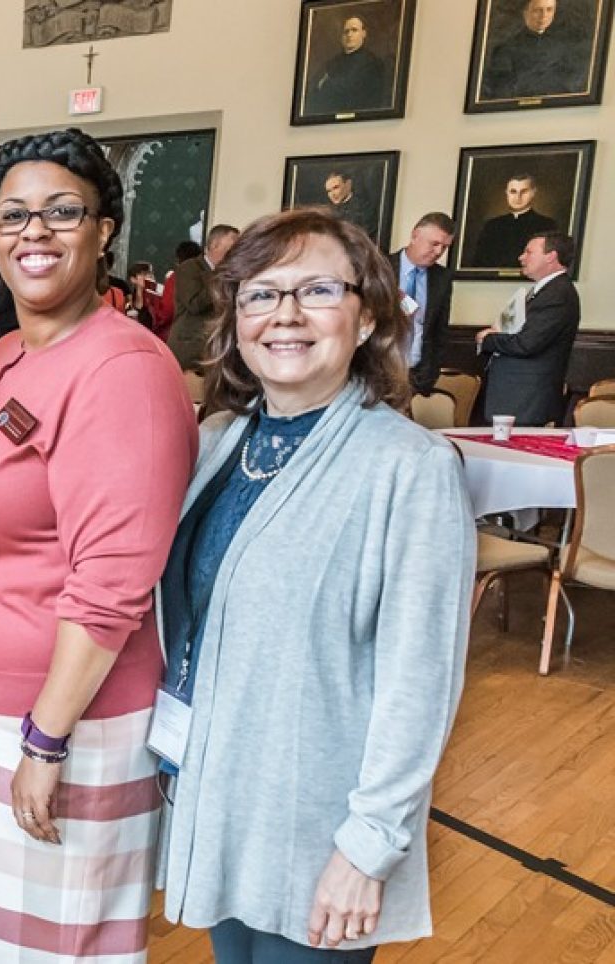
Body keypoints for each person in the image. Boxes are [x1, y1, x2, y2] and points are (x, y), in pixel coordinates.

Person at [157, 206, 473, 963]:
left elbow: (418, 683)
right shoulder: (221, 441)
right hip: (220, 791)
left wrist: (369, 848)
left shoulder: (408, 468)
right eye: (261, 294)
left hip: (317, 823)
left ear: (366, 319)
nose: (286, 315)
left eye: (318, 291)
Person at [0, 127, 196, 963]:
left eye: (62, 212)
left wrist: (46, 739)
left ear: (106, 229)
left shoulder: (123, 369)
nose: (34, 232)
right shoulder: (9, 352)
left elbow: (112, 582)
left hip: (66, 717)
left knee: (61, 948)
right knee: (2, 947)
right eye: (13, 216)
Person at [477, 231, 581, 426]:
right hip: (517, 397)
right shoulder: (548, 290)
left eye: (529, 252)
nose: (521, 257)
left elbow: (527, 344)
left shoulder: (557, 293)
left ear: (551, 256)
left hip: (526, 399)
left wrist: (488, 339)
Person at [393, 212, 455, 394]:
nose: (438, 252)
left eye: (444, 247)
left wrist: (431, 374)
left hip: (418, 376)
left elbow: (440, 330)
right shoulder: (381, 267)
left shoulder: (442, 277)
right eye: (434, 244)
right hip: (377, 372)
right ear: (415, 235)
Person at [481, 0, 590, 100]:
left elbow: (573, 86)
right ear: (525, 13)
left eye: (549, 10)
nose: (544, 16)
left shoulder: (566, 45)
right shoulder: (506, 49)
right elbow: (501, 91)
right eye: (537, 10)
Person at [167, 223, 238, 369]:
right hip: (191, 347)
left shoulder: (234, 274)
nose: (234, 254)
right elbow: (195, 304)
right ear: (214, 245)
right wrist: (221, 277)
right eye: (230, 249)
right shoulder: (190, 268)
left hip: (219, 348)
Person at [474, 174, 561, 268]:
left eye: (524, 191)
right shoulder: (491, 225)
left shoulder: (547, 225)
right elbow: (479, 261)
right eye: (513, 192)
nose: (518, 197)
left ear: (533, 193)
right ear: (506, 193)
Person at [308, 15, 390, 114]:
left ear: (363, 34)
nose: (349, 35)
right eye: (346, 31)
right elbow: (314, 89)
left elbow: (351, 90)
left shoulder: (372, 62)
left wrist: (327, 84)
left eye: (354, 30)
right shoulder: (332, 62)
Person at [322, 171, 379, 241]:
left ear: (348, 184)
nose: (332, 194)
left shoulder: (365, 207)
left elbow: (367, 236)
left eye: (336, 188)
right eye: (329, 191)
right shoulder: (327, 211)